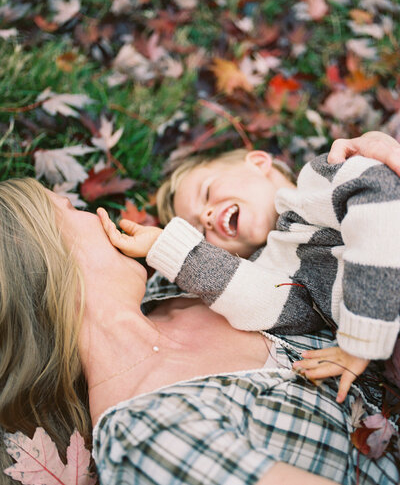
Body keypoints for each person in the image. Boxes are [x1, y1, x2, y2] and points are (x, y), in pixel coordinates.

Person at [0, 134, 398, 485]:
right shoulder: (148, 440)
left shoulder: (168, 285)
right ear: (43, 261)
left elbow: (311, 243)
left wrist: (379, 174)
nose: (93, 213)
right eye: (71, 210)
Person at [98, 131, 400, 403]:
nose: (205, 215)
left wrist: (361, 341)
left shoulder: (319, 180)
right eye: (199, 234)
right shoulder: (273, 266)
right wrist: (167, 248)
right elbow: (263, 301)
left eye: (206, 192)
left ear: (257, 162)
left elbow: (383, 205)